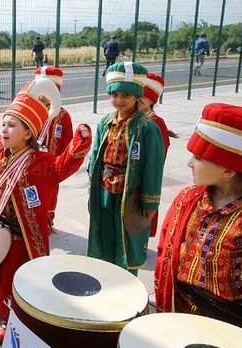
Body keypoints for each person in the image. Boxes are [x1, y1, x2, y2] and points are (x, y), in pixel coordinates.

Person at [0, 79, 91, 345]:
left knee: (12, 276)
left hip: (22, 236)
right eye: (4, 124)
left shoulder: (41, 162)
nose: (4, 130)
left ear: (29, 133)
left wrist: (77, 147)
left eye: (12, 125)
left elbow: (61, 167)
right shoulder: (1, 149)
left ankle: (8, 317)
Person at [154, 103, 242, 330]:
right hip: (179, 315)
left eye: (198, 158)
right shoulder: (188, 199)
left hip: (229, 329)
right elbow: (164, 253)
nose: (189, 163)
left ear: (228, 171)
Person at [87, 62, 165, 275]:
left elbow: (153, 167)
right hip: (104, 190)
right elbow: (95, 155)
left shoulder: (148, 129)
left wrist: (150, 202)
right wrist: (91, 183)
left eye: (125, 96)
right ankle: (105, 277)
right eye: (115, 95)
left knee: (127, 241)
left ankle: (126, 285)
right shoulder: (105, 122)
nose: (119, 101)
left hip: (129, 195)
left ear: (137, 96)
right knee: (105, 235)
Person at [138, 72, 179, 237]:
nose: (140, 99)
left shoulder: (156, 122)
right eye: (138, 95)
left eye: (145, 97)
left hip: (146, 174)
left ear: (152, 101)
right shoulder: (134, 117)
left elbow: (159, 155)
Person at [34, 66, 73, 231]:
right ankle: (32, 220)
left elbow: (68, 142)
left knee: (50, 194)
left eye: (48, 92)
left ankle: (48, 220)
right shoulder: (31, 111)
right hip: (32, 163)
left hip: (52, 165)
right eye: (39, 92)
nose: (42, 97)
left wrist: (61, 163)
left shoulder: (63, 116)